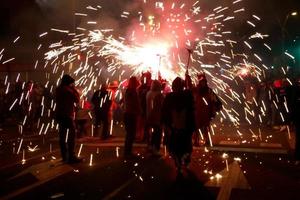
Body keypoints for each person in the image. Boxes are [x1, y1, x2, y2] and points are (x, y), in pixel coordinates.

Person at [161, 77, 195, 175]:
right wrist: (188, 81)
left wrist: (165, 124)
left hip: (176, 128)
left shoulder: (170, 97)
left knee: (176, 147)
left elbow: (164, 112)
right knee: (184, 146)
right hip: (181, 127)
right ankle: (183, 160)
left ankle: (179, 161)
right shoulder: (186, 95)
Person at [55, 74, 82, 163]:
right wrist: (74, 89)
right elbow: (77, 99)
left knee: (62, 137)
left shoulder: (58, 89)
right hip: (67, 115)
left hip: (60, 115)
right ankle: (71, 156)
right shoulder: (68, 90)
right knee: (71, 136)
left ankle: (64, 157)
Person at [193, 73, 222, 146]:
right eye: (201, 82)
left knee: (206, 127)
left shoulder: (208, 90)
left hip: (206, 112)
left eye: (204, 82)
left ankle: (207, 140)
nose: (203, 83)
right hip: (198, 112)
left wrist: (216, 107)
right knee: (196, 127)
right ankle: (196, 141)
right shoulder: (196, 90)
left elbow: (215, 100)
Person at [123, 76, 141, 158]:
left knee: (129, 134)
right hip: (131, 115)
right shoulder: (132, 91)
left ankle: (127, 152)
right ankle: (128, 153)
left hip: (127, 114)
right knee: (131, 134)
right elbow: (135, 103)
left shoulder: (128, 90)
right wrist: (140, 111)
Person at [146, 80, 164, 156]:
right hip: (157, 117)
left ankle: (150, 147)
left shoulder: (148, 93)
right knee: (157, 133)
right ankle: (156, 149)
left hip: (149, 116)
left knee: (152, 133)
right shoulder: (159, 95)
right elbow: (161, 107)